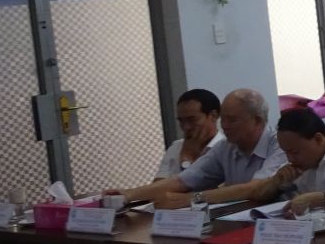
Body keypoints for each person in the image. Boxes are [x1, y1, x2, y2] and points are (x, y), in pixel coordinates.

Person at [120, 88, 287, 209]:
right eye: (223, 119)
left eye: (232, 120)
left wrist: (189, 199)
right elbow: (183, 180)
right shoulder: (225, 147)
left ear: (257, 121)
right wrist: (127, 195)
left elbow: (255, 188)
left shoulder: (281, 144)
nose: (224, 126)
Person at [242, 106, 325, 214]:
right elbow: (258, 194)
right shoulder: (296, 158)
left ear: (318, 139)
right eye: (286, 152)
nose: (290, 158)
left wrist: (323, 199)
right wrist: (276, 181)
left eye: (294, 152)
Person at [154, 88, 224, 179]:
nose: (186, 127)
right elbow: (158, 185)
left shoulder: (226, 149)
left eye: (192, 120)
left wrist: (188, 157)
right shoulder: (176, 147)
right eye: (181, 121)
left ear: (213, 116)